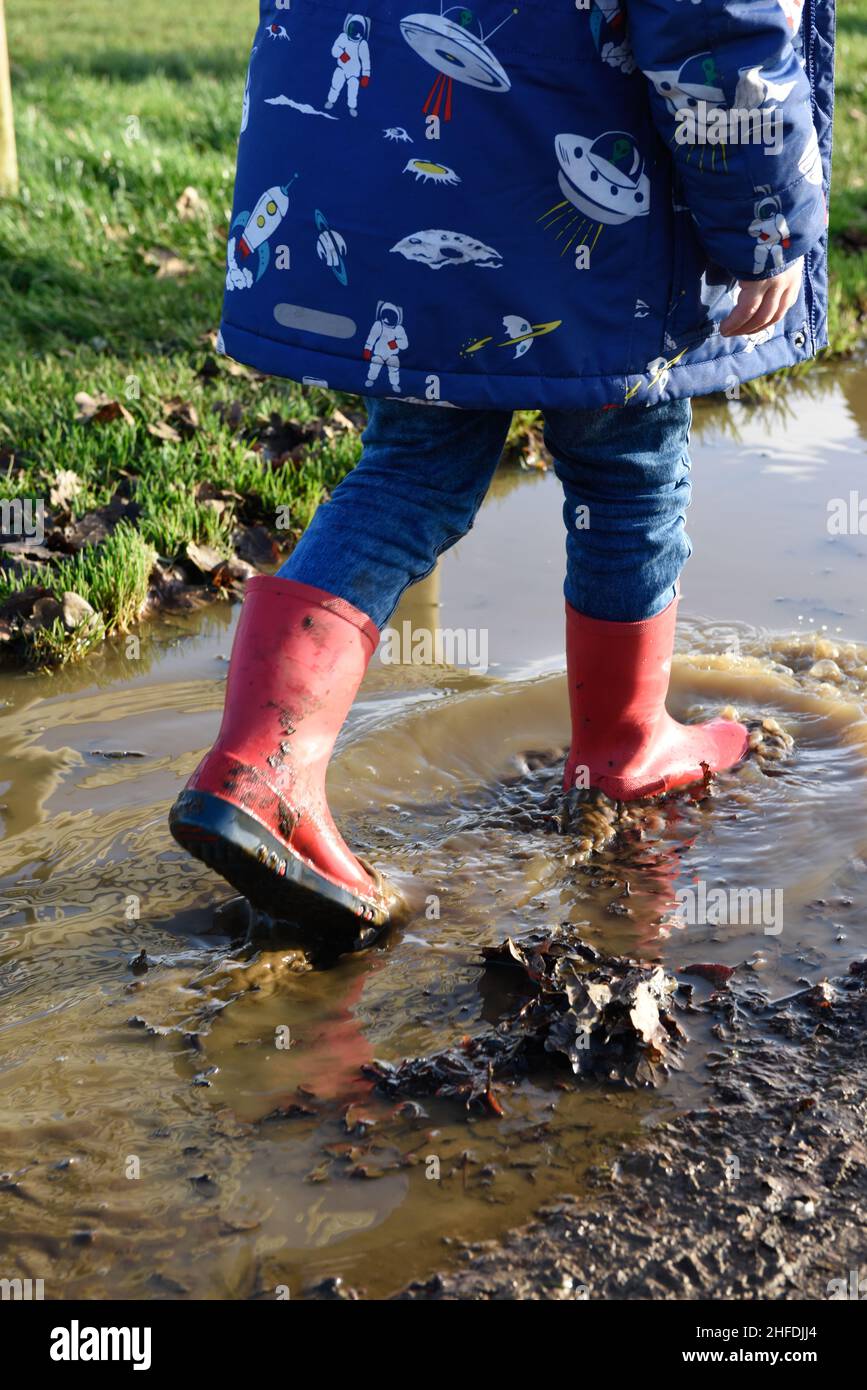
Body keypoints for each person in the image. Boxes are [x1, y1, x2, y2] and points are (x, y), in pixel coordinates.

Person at [170, 0, 835, 946]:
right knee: (627, 472)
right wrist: (765, 221)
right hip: (595, 214)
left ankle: (255, 766)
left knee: (408, 471)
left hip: (394, 195)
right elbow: (713, 24)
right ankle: (624, 745)